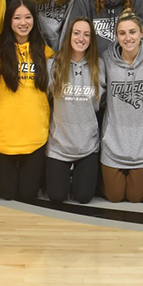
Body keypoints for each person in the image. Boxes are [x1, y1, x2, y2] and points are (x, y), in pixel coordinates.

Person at [0, 0, 51, 201]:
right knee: (8, 194)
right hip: (4, 137)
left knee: (27, 195)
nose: (23, 22)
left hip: (35, 136)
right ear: (9, 21)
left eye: (27, 17)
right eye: (17, 18)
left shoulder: (45, 52)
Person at [100, 10, 143, 202]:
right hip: (113, 142)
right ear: (116, 36)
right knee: (114, 196)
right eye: (122, 33)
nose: (128, 38)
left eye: (132, 32)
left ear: (142, 33)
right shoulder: (106, 59)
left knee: (135, 198)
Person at [45, 17, 104, 203]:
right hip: (58, 145)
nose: (81, 38)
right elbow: (47, 100)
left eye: (86, 34)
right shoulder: (53, 65)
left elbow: (101, 104)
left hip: (87, 146)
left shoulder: (100, 66)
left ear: (91, 40)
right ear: (69, 36)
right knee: (56, 196)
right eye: (76, 33)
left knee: (84, 197)